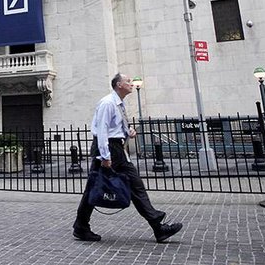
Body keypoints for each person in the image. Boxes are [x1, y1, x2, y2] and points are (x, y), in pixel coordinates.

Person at [74, 73, 183, 243]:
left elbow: (114, 127)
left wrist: (128, 131)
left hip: (117, 148)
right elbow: (102, 131)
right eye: (128, 81)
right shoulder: (107, 103)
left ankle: (158, 227)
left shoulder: (119, 103)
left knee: (135, 184)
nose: (131, 84)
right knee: (95, 186)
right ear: (118, 85)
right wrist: (104, 155)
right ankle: (81, 226)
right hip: (107, 148)